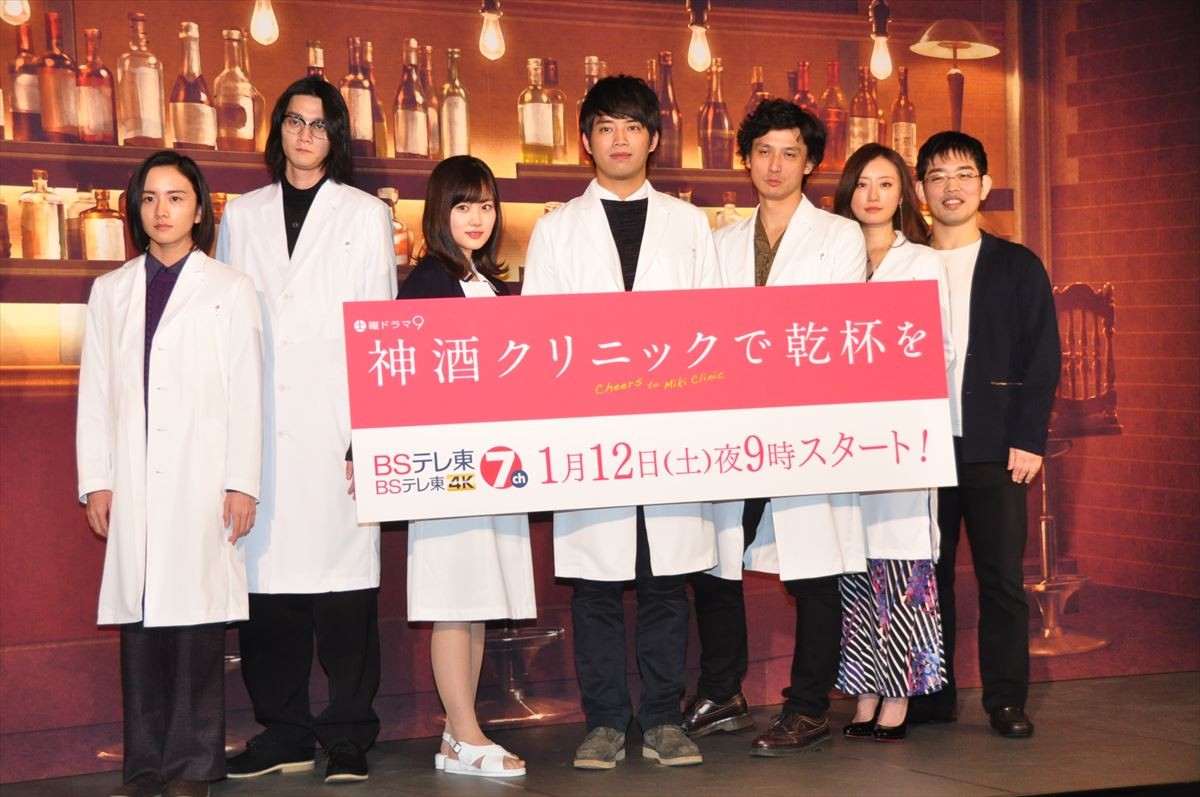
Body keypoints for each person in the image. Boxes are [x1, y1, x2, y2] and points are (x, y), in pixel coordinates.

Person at [522, 74, 720, 770]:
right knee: (597, 588)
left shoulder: (690, 225)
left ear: (653, 139)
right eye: (606, 127)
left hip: (671, 432)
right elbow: (538, 337)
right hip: (591, 435)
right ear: (586, 140)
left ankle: (663, 718)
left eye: (633, 127)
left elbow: (712, 329)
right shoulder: (555, 229)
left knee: (667, 584)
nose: (619, 140)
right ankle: (605, 721)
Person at [218, 76, 396, 783]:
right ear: (278, 130)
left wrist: (367, 431)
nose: (305, 135)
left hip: (337, 424)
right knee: (268, 597)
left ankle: (348, 733)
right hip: (262, 425)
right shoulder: (242, 214)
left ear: (336, 137)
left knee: (345, 593)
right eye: (294, 121)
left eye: (319, 125)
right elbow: (228, 323)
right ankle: (284, 732)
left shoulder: (366, 214)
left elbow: (378, 326)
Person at [77, 150, 263, 797]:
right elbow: (96, 391)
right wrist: (97, 479)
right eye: (150, 197)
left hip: (202, 477)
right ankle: (145, 765)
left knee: (195, 626)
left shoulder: (230, 289)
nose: (162, 210)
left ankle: (193, 766)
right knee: (141, 626)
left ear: (200, 208)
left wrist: (242, 481)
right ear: (136, 208)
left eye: (176, 197)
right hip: (132, 481)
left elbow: (247, 391)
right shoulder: (111, 291)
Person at [684, 99, 867, 755]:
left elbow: (834, 331)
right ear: (747, 159)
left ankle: (809, 705)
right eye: (764, 151)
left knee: (813, 568)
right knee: (714, 560)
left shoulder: (839, 236)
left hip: (805, 423)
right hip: (732, 424)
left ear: (810, 163)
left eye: (790, 153)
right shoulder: (721, 241)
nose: (776, 164)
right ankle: (722, 690)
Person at [908, 130, 1060, 738]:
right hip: (920, 449)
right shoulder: (902, 263)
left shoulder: (1017, 264)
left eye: (963, 174)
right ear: (921, 189)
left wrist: (1029, 438)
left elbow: (1042, 358)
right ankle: (932, 695)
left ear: (985, 185)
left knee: (1001, 578)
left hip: (996, 447)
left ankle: (1005, 700)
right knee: (929, 578)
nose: (951, 187)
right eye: (937, 176)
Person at [399, 156, 534, 778]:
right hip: (447, 466)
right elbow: (397, 376)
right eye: (462, 206)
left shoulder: (492, 285)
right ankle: (466, 732)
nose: (476, 218)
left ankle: (459, 737)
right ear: (439, 213)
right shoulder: (427, 281)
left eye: (485, 206)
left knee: (476, 599)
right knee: (454, 599)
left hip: (493, 465)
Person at [831, 143, 953, 741]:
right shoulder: (830, 258)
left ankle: (899, 697)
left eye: (885, 183)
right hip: (838, 439)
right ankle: (864, 692)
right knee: (852, 566)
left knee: (901, 562)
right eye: (862, 183)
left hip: (900, 437)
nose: (873, 195)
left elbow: (941, 349)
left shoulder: (922, 261)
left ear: (903, 193)